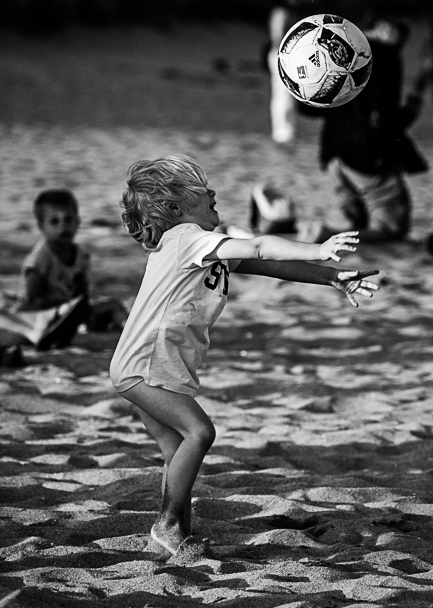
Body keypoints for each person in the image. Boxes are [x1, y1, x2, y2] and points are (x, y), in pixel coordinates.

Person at [110, 155, 378, 559]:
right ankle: (165, 523)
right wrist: (319, 249)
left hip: (157, 363)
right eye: (202, 190)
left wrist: (330, 279)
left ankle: (176, 536)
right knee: (200, 433)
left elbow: (264, 263)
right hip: (147, 364)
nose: (213, 193)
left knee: (176, 448)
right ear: (175, 208)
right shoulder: (187, 237)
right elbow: (258, 242)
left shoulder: (201, 248)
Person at [300, 19, 427, 242]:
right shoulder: (384, 55)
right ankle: (325, 236)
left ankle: (320, 236)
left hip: (333, 155)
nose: (401, 45)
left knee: (357, 227)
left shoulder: (339, 49)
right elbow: (382, 117)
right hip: (368, 157)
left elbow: (308, 107)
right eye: (402, 36)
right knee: (391, 231)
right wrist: (410, 112)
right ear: (386, 27)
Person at [20, 188, 127, 331]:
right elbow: (31, 300)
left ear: (77, 222)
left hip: (70, 312)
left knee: (114, 306)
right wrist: (55, 306)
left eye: (68, 219)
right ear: (41, 226)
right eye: (54, 221)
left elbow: (82, 294)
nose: (62, 225)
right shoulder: (40, 259)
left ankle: (127, 330)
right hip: (43, 314)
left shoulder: (81, 255)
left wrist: (84, 313)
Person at [263, 0, 300, 145]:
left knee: (288, 94)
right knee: (283, 94)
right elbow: (277, 37)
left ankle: (287, 131)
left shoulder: (285, 13)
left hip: (284, 55)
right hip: (281, 55)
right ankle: (281, 132)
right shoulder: (281, 13)